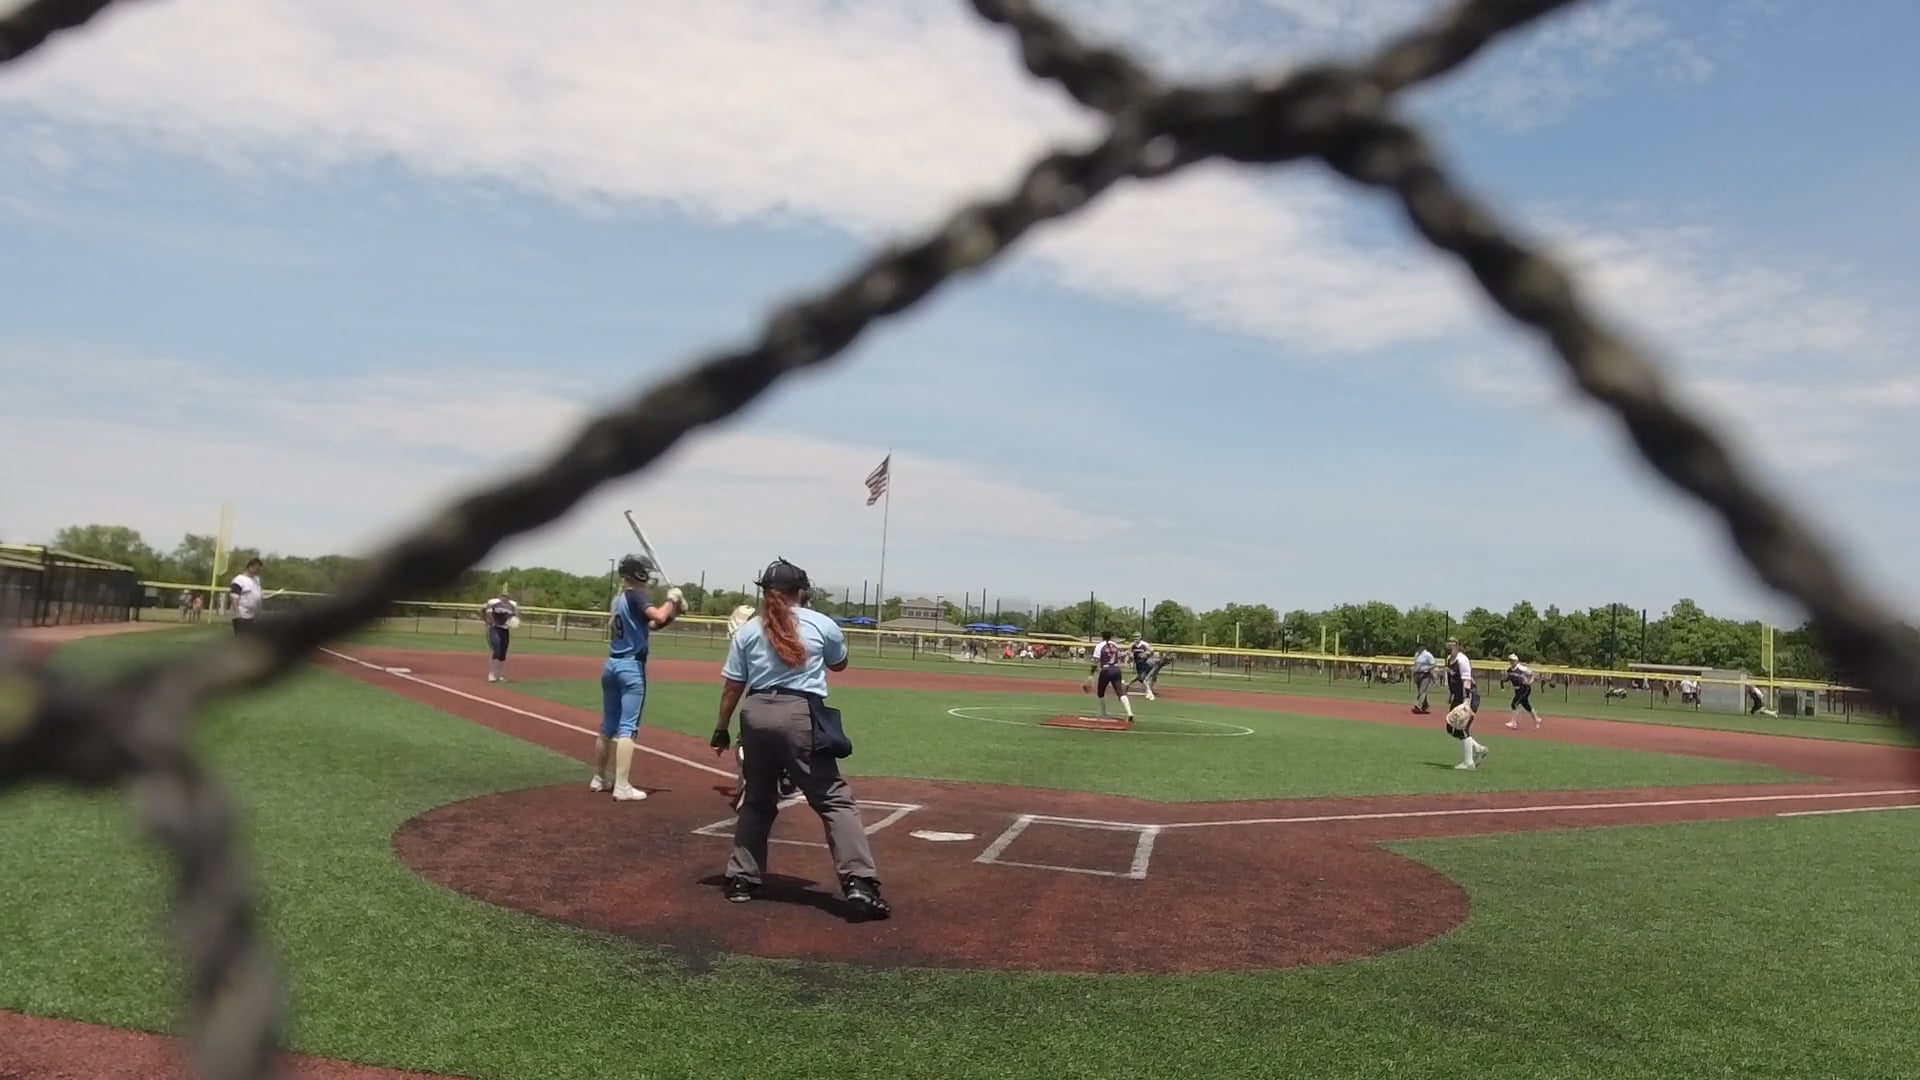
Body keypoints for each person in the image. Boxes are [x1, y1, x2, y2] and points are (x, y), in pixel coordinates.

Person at [710, 557, 890, 919]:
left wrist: (721, 727)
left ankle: (743, 879)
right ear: (802, 591)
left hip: (755, 714)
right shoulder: (821, 623)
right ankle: (860, 882)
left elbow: (733, 687)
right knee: (833, 799)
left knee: (757, 799)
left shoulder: (749, 630)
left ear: (764, 591)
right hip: (799, 714)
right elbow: (839, 663)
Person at [592, 554, 685, 802]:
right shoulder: (636, 595)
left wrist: (673, 611)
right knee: (628, 727)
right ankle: (622, 786)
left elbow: (653, 625)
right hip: (631, 667)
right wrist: (672, 599)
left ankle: (599, 778)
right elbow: (657, 616)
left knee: (607, 725)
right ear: (638, 574)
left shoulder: (619, 599)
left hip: (612, 664)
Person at [1442, 638, 1488, 769]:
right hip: (1457, 696)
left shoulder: (1462, 660)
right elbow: (1452, 680)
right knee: (1451, 726)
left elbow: (1466, 681)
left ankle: (1469, 763)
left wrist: (1467, 701)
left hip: (1468, 696)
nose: (1449, 645)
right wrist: (1451, 696)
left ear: (1457, 646)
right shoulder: (1449, 659)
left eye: (1452, 643)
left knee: (1461, 727)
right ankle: (1478, 749)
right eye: (1448, 643)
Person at [1081, 630, 1135, 720]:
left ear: (1102, 636)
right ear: (1111, 637)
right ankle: (1129, 712)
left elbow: (1095, 661)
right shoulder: (1115, 645)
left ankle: (1103, 713)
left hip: (1106, 670)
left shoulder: (1100, 645)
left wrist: (1091, 674)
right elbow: (1119, 656)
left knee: (1101, 692)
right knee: (1120, 692)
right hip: (1116, 669)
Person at [481, 588, 520, 683]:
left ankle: (500, 674)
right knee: (496, 649)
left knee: (503, 653)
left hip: (505, 630)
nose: (504, 597)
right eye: (503, 595)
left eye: (506, 596)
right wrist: (487, 621)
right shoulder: (494, 604)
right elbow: (486, 612)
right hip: (495, 628)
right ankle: (492, 674)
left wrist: (513, 623)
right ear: (499, 596)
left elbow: (513, 617)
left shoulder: (512, 606)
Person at [229, 558, 270, 636]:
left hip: (254, 616)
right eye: (257, 569)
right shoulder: (239, 580)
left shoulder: (256, 580)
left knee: (252, 639)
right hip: (243, 615)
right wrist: (237, 614)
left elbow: (258, 594)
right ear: (250, 567)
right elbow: (234, 597)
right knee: (242, 638)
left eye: (259, 569)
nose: (258, 571)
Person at [1503, 653, 1543, 730]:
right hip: (1517, 690)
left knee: (1514, 704)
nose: (1511, 662)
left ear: (1516, 661)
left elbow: (1533, 674)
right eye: (1510, 660)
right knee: (1526, 705)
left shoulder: (1522, 668)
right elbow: (1508, 678)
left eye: (1513, 660)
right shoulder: (1509, 670)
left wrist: (1530, 682)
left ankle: (1514, 723)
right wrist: (1504, 680)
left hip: (1524, 688)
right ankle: (1537, 719)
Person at [1129, 635, 1158, 701]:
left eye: (1137, 637)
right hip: (1138, 664)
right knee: (1140, 678)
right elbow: (1130, 652)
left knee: (1143, 678)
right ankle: (1149, 690)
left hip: (1145, 663)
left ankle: (1149, 692)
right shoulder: (1132, 645)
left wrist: (1146, 654)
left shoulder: (1144, 644)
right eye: (1135, 637)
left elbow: (1152, 650)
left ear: (1140, 638)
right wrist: (1130, 660)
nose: (1136, 638)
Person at [1411, 644, 1436, 714]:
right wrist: (1414, 672)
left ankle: (1418, 706)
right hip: (1418, 674)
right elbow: (1415, 664)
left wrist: (1427, 668)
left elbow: (1434, 664)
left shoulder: (1427, 654)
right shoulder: (1417, 654)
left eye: (1419, 647)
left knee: (1422, 691)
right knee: (1421, 691)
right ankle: (1425, 705)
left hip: (1425, 675)